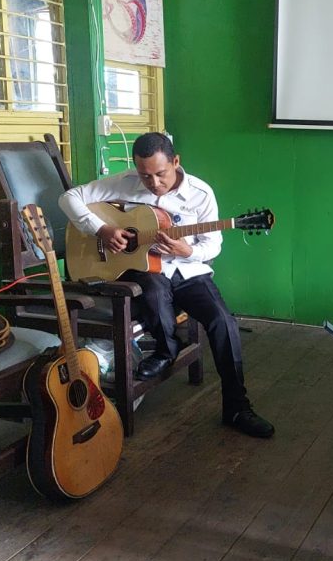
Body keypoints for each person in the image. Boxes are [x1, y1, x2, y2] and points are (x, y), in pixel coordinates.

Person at [59, 132, 274, 439]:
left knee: (223, 322)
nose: (154, 183)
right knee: (154, 290)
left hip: (189, 271)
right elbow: (68, 198)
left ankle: (237, 407)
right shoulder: (125, 182)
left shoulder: (200, 193)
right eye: (145, 176)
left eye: (160, 174)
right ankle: (165, 350)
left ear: (175, 162)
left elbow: (212, 245)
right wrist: (102, 229)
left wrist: (188, 251)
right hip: (144, 271)